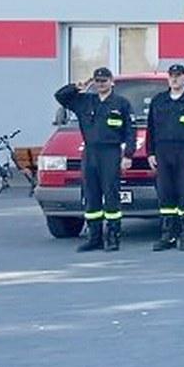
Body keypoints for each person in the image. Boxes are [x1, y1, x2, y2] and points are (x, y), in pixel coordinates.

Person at [54, 67, 134, 252]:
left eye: (104, 81)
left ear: (111, 82)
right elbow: (60, 96)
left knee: (111, 195)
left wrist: (128, 155)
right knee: (91, 196)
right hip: (90, 152)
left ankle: (113, 237)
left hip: (110, 152)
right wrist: (77, 86)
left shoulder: (121, 104)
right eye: (97, 81)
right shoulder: (85, 101)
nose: (101, 84)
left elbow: (131, 131)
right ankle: (94, 238)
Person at [146, 64, 184, 252]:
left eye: (178, 75)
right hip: (163, 152)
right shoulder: (159, 100)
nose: (174, 79)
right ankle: (168, 235)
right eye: (171, 76)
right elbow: (150, 129)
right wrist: (150, 153)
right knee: (165, 193)